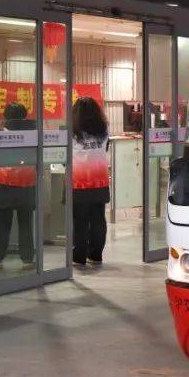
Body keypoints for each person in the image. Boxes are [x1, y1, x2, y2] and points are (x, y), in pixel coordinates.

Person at [0, 103, 36, 270]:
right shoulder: (33, 134)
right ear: (25, 116)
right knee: (26, 224)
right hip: (27, 183)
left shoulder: (1, 134)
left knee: (2, 224)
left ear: (6, 117)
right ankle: (27, 260)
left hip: (3, 183)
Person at [72, 96, 110, 267]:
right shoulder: (104, 130)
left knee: (79, 221)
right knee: (98, 219)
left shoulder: (73, 133)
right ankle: (95, 255)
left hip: (78, 182)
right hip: (100, 181)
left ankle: (78, 256)